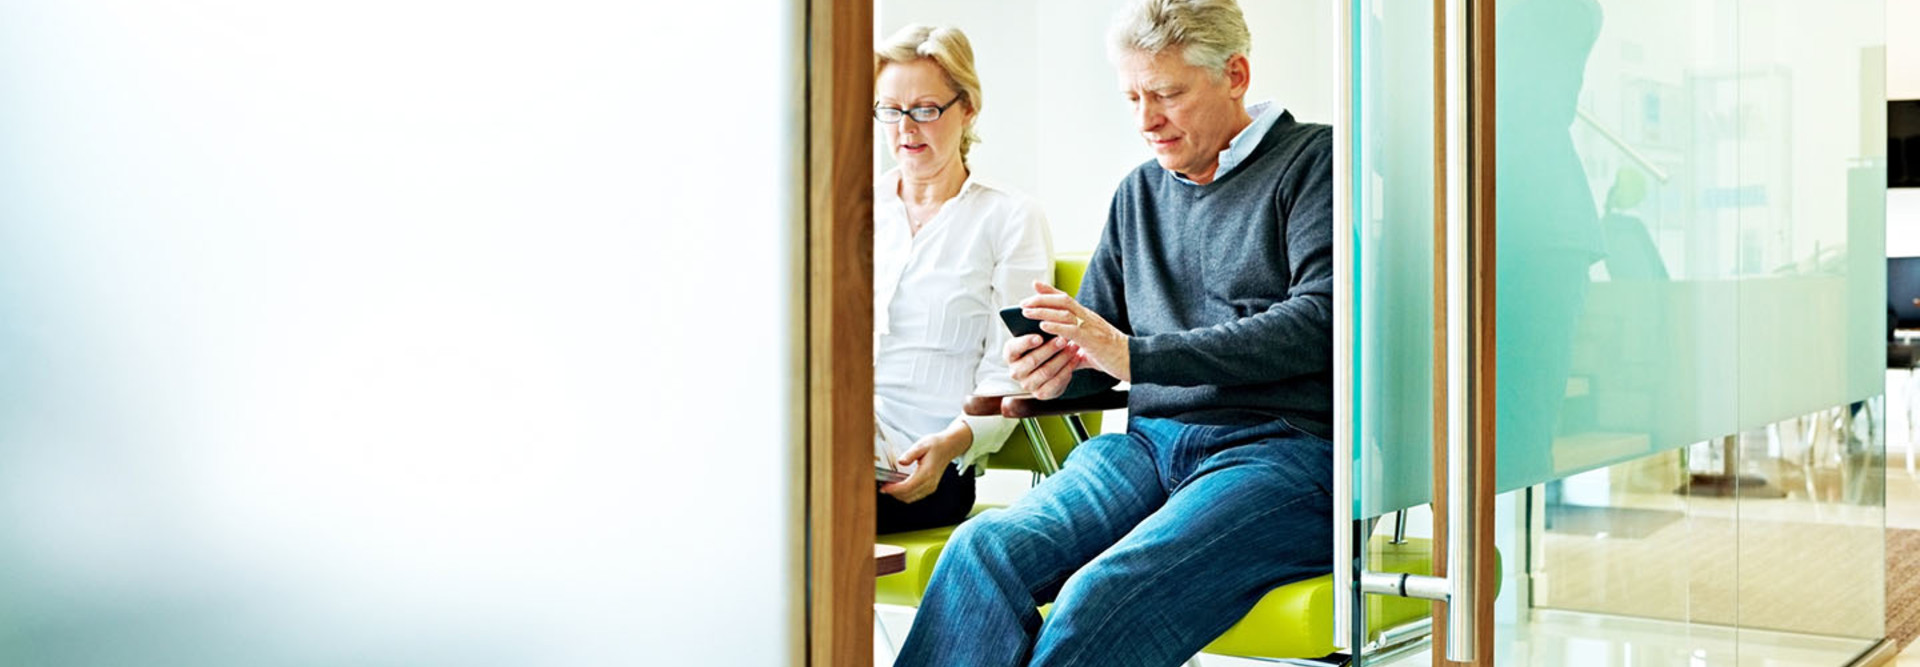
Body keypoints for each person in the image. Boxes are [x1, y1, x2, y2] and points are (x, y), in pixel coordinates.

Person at [892, 1, 1335, 664]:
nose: (1145, 119)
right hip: (1149, 448)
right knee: (981, 549)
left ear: (1236, 74)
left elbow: (1318, 322)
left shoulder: (1314, 162)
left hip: (1281, 455)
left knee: (1100, 595)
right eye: (1131, 96)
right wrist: (1056, 363)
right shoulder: (1139, 194)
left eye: (1166, 94)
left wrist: (1133, 353)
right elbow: (1099, 345)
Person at [871, 24, 1054, 534]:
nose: (906, 129)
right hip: (839, 447)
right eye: (890, 110)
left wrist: (954, 442)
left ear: (967, 108)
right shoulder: (854, 212)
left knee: (776, 511)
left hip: (931, 468)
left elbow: (1012, 371)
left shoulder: (1009, 218)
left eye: (925, 109)